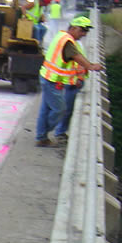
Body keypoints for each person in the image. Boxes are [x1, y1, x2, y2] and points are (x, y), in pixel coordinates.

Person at [35, 16, 103, 147]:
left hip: (50, 78)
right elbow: (76, 57)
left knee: (47, 109)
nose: (84, 34)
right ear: (73, 28)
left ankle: (41, 137)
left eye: (86, 31)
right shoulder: (67, 41)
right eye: (82, 30)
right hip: (50, 80)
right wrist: (91, 66)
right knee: (59, 110)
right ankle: (43, 132)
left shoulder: (63, 37)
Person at [54, 41, 88, 143]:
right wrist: (80, 78)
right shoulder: (75, 45)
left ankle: (59, 131)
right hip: (70, 81)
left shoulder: (64, 43)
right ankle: (59, 132)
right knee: (66, 109)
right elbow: (80, 63)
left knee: (63, 108)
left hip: (68, 81)